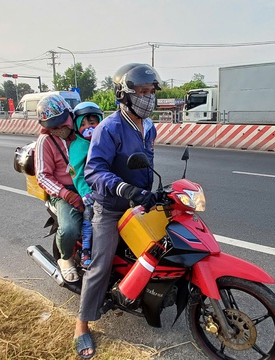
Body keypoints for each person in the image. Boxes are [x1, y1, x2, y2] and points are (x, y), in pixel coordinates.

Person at [73, 63, 161, 359]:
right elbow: (94, 170)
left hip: (139, 200)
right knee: (100, 265)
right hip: (110, 207)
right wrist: (123, 189)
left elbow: (143, 162)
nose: (148, 98)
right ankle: (81, 324)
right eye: (142, 92)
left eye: (151, 92)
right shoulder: (109, 128)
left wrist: (152, 191)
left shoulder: (149, 126)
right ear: (123, 95)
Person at [34, 94, 84, 283]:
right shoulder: (45, 141)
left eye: (62, 123)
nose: (59, 129)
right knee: (70, 229)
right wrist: (67, 195)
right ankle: (65, 259)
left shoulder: (83, 129)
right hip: (62, 192)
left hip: (89, 185)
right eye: (53, 127)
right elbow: (42, 176)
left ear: (69, 115)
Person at [68, 101, 104, 268]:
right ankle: (86, 251)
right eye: (82, 124)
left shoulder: (105, 140)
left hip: (108, 189)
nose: (88, 127)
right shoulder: (79, 145)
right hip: (90, 192)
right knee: (89, 217)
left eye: (92, 122)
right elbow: (76, 172)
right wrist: (85, 192)